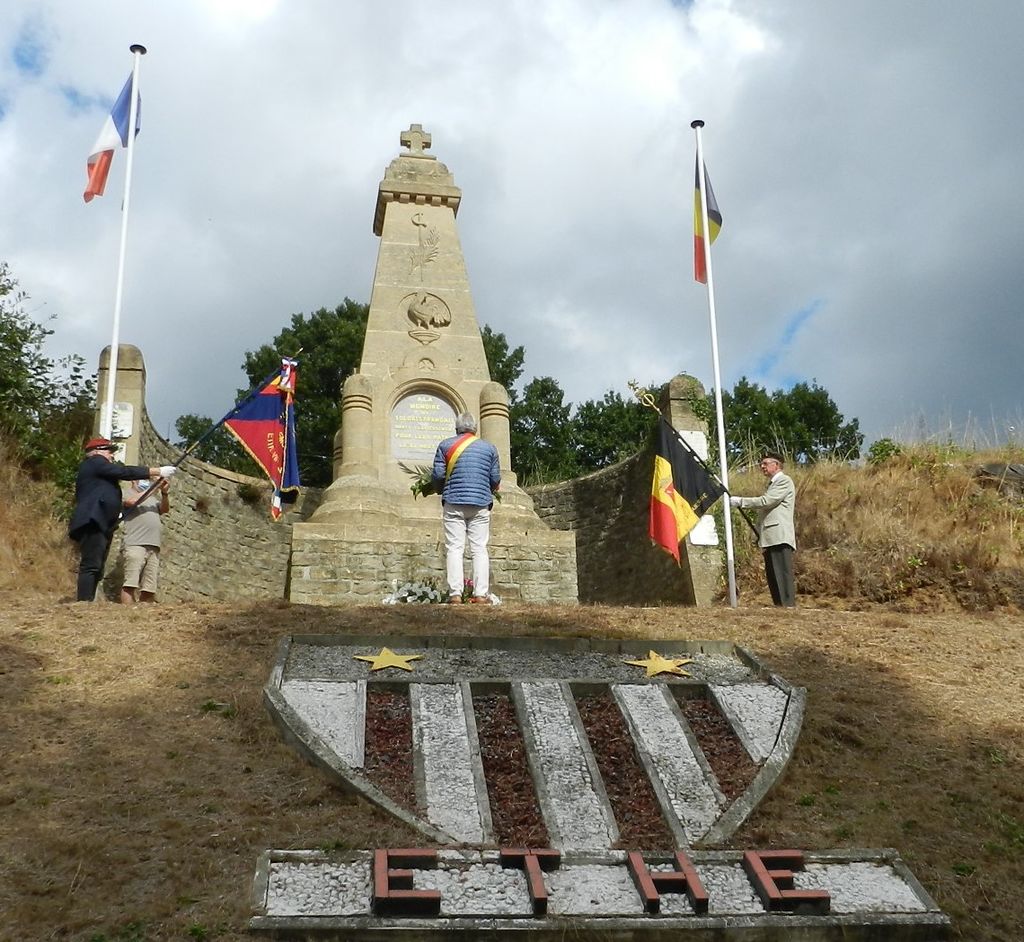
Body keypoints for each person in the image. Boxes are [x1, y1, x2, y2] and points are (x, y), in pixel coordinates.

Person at [67, 437, 176, 602]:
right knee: (91, 565)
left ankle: (88, 601)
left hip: (102, 523)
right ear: (96, 451)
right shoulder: (95, 462)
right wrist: (156, 471)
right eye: (108, 451)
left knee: (97, 566)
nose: (111, 455)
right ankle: (83, 602)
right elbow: (124, 472)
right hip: (93, 520)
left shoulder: (100, 473)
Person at [431, 412, 501, 604]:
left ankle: (455, 594)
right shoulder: (489, 448)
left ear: (457, 429)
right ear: (475, 429)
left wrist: (439, 489)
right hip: (480, 503)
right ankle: (480, 594)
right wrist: (487, 489)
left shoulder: (445, 445)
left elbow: (438, 475)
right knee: (479, 548)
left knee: (454, 547)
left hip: (454, 501)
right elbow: (495, 478)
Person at [730, 452, 797, 607]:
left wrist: (741, 501)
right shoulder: (772, 484)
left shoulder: (784, 481)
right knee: (773, 574)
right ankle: (780, 605)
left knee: (782, 572)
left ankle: (787, 605)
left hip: (779, 535)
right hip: (770, 535)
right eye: (762, 464)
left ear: (776, 465)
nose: (762, 466)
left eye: (765, 463)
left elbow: (767, 501)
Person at [119, 478, 171, 604]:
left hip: (153, 546)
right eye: (142, 479)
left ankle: (142, 614)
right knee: (130, 584)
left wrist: (164, 493)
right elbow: (131, 502)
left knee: (149, 589)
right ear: (133, 481)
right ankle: (126, 612)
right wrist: (153, 488)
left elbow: (164, 509)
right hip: (135, 543)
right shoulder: (126, 493)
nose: (146, 482)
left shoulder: (152, 499)